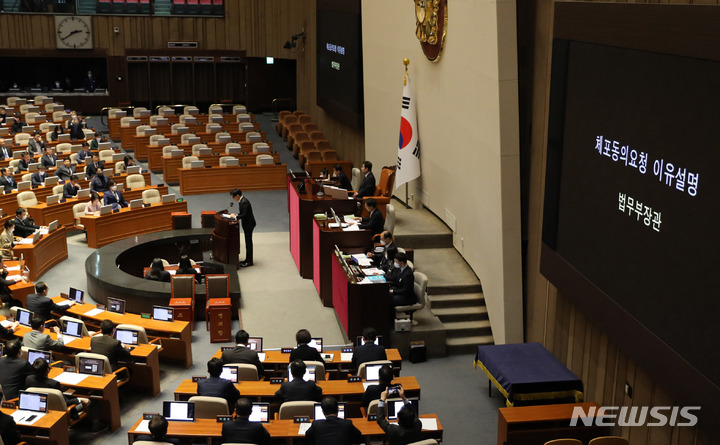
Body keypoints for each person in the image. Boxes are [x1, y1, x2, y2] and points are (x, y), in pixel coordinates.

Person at [26, 357, 92, 420]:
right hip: (63, 412)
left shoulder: (28, 379)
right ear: (48, 369)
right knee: (92, 400)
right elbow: (66, 402)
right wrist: (80, 399)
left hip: (40, 408)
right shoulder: (54, 384)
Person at [230, 189, 256, 267]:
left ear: (237, 196)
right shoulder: (242, 201)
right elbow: (243, 213)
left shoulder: (244, 202)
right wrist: (236, 214)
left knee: (248, 243)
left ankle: (249, 261)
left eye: (233, 197)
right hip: (247, 224)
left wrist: (236, 217)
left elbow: (244, 215)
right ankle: (247, 259)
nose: (233, 198)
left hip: (249, 225)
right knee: (247, 243)